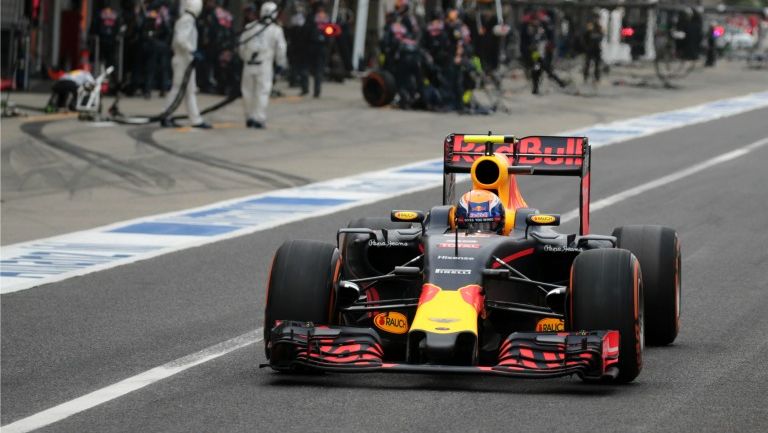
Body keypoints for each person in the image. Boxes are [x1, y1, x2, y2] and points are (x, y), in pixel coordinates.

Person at [161, 0, 211, 128]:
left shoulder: (188, 20)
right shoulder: (187, 20)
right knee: (177, 88)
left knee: (190, 91)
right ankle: (167, 115)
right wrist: (192, 50)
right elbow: (180, 40)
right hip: (183, 60)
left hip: (186, 61)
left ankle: (195, 119)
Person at [238, 1, 287, 129]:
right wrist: (281, 64)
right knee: (262, 92)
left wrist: (245, 58)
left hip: (248, 65)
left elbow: (241, 45)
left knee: (248, 92)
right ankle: (258, 118)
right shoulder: (276, 30)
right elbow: (281, 49)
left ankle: (249, 117)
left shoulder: (250, 27)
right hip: (264, 66)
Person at [380, 0, 422, 108]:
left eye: (399, 7)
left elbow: (388, 41)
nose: (397, 8)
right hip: (407, 52)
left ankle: (404, 98)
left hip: (403, 54)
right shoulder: (404, 22)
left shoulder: (405, 21)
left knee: (400, 78)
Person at [299, 1, 330, 97]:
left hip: (312, 46)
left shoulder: (311, 18)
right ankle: (314, 91)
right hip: (319, 46)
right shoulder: (325, 18)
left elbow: (305, 32)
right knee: (317, 69)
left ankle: (309, 89)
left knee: (308, 68)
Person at [582, 12, 603, 84]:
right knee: (587, 64)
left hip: (596, 49)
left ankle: (597, 78)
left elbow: (601, 37)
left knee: (597, 65)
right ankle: (585, 77)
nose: (596, 20)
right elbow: (585, 36)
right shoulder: (590, 27)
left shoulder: (599, 27)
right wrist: (586, 46)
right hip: (590, 48)